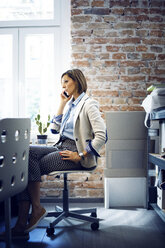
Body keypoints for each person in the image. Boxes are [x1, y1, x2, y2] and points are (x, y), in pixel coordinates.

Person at [0, 69, 107, 240]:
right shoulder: (71, 104)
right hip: (61, 146)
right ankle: (35, 209)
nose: (63, 86)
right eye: (62, 82)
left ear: (77, 82)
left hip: (75, 152)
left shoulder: (89, 104)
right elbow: (53, 129)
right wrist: (62, 103)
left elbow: (102, 135)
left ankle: (23, 222)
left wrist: (80, 155)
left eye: (66, 81)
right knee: (26, 154)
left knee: (28, 166)